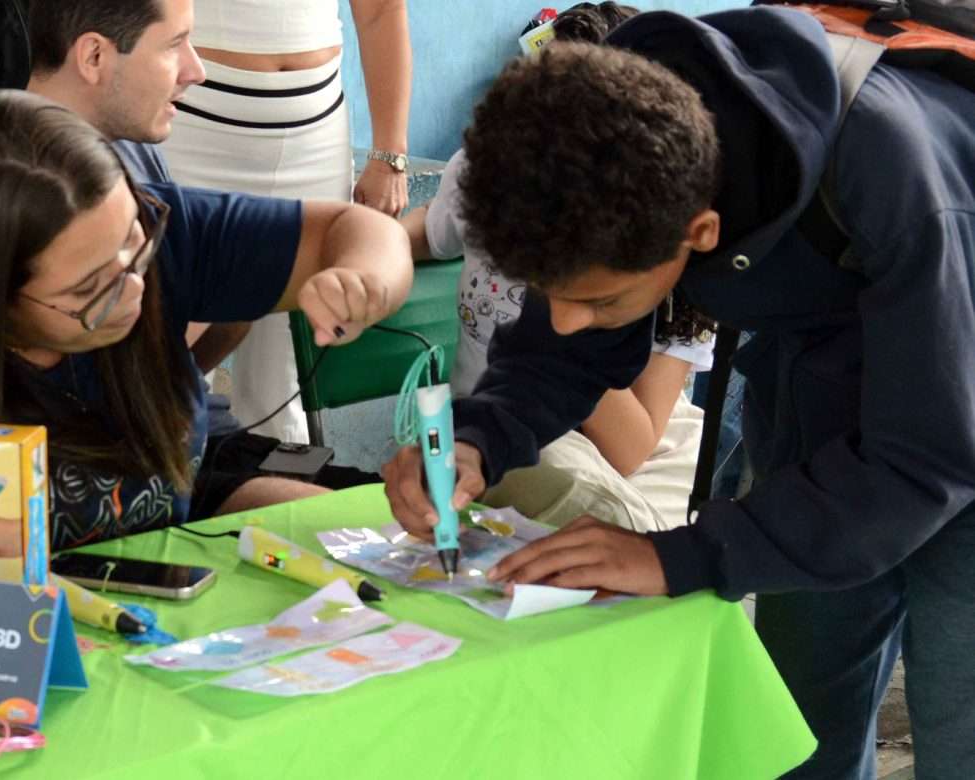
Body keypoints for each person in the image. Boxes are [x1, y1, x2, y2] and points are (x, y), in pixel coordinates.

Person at [383, 9, 975, 779]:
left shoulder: (897, 180)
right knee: (794, 732)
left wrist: (684, 554)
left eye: (599, 301)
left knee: (960, 727)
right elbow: (562, 345)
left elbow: (929, 454)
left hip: (955, 415)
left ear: (701, 233)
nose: (568, 322)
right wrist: (479, 438)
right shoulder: (605, 143)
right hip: (825, 404)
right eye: (553, 295)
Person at [0, 89, 412, 557]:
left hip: (174, 549)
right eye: (88, 290)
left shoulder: (145, 232)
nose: (133, 289)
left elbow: (357, 230)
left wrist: (363, 280)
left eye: (135, 245)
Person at [23, 0, 381, 522]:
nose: (198, 70)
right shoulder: (12, 186)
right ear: (94, 56)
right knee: (362, 526)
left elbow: (362, 235)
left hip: (202, 448)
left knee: (390, 512)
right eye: (174, 45)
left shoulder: (137, 149)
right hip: (125, 473)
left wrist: (363, 279)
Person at [401, 1, 713, 532]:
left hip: (625, 441)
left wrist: (571, 334)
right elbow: (428, 230)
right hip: (518, 425)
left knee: (633, 524)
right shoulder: (500, 179)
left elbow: (633, 447)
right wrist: (366, 251)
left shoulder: (676, 255)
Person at [162, 0, 413, 443]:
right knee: (169, 367)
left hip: (314, 138)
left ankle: (274, 480)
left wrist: (390, 156)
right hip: (191, 124)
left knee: (285, 377)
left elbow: (381, 11)